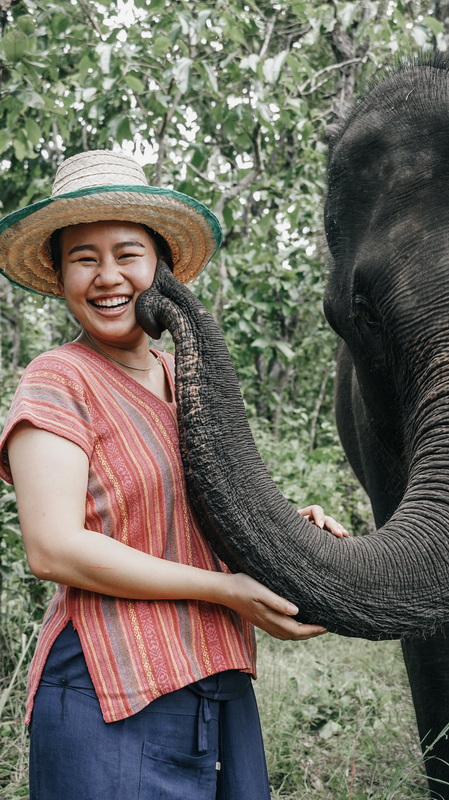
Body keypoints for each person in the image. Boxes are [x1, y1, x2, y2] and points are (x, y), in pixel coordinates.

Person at [0, 150, 348, 800]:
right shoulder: (58, 377)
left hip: (216, 681)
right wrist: (224, 591)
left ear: (159, 265)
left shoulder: (184, 373)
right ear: (59, 273)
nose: (107, 276)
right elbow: (54, 546)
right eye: (84, 257)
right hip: (112, 689)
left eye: (126, 253)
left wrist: (287, 533)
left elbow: (200, 515)